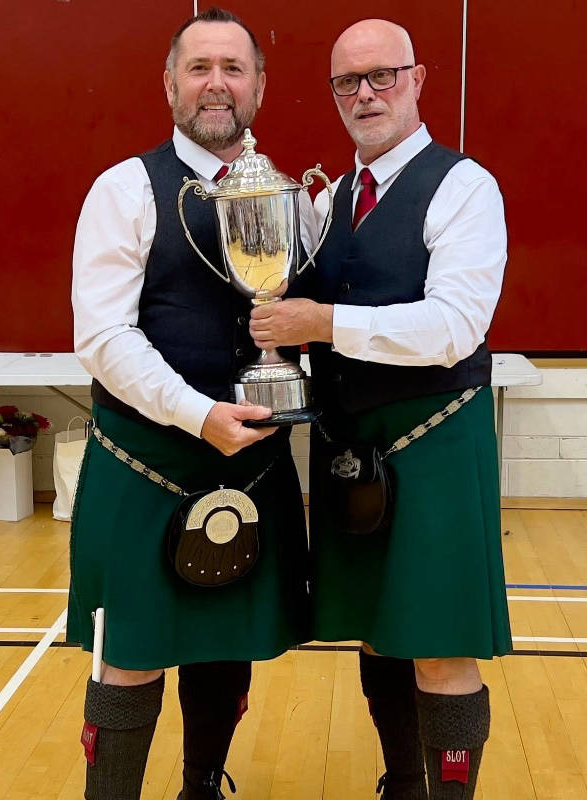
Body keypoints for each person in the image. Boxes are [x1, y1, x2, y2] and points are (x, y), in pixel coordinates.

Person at [250, 18, 512, 800]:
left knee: (438, 647)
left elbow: (453, 327)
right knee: (376, 632)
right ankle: (404, 784)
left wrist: (321, 323)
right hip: (348, 449)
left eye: (383, 76)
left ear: (419, 79)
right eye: (346, 82)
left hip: (433, 444)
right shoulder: (327, 202)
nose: (365, 95)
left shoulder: (465, 187)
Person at [69, 8, 315, 800]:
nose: (217, 84)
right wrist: (194, 411)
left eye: (234, 68)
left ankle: (201, 786)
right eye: (200, 67)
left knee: (222, 645)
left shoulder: (291, 200)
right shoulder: (124, 189)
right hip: (149, 459)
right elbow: (103, 336)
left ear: (260, 87)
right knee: (131, 652)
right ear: (170, 82)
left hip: (252, 465)